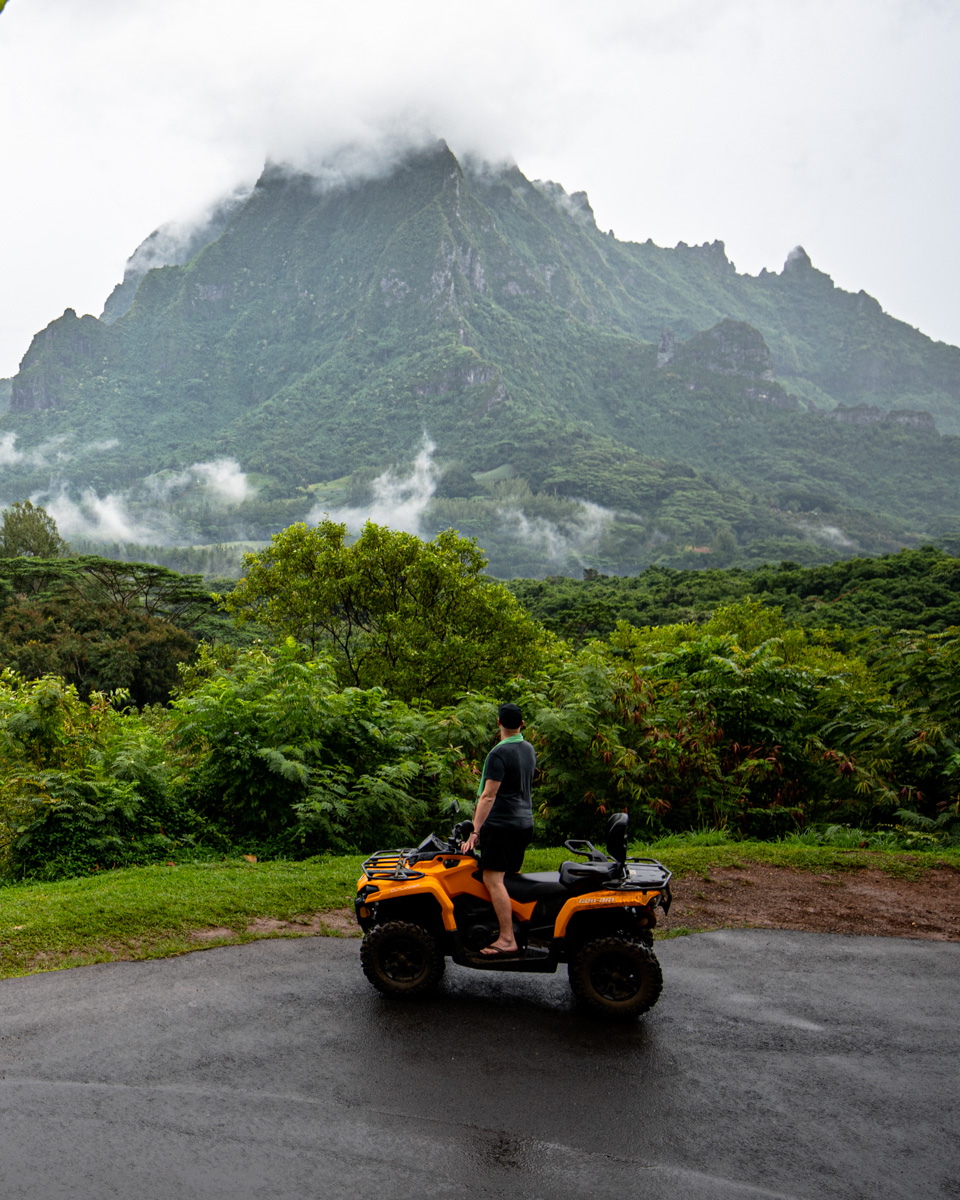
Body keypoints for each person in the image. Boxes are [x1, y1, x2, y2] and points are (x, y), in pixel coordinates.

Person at [461, 702, 536, 956]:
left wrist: (475, 831)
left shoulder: (498, 754)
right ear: (522, 724)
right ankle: (517, 927)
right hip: (524, 824)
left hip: (503, 827)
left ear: (498, 724)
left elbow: (488, 795)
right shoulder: (528, 749)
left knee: (492, 878)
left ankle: (506, 939)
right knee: (510, 879)